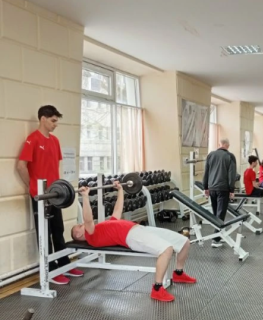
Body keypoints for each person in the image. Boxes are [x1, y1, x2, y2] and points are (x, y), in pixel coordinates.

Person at [71, 182, 196, 302]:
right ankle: (157, 289)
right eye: (79, 226)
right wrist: (85, 197)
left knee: (184, 241)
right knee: (166, 250)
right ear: (79, 234)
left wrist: (120, 190)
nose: (81, 224)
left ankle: (178, 273)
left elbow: (117, 210)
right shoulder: (91, 236)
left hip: (140, 229)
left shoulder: (102, 226)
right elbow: (88, 219)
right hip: (131, 236)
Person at [17, 105, 84, 285]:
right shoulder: (32, 140)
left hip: (56, 194)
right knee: (44, 233)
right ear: (43, 119)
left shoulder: (55, 141)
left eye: (56, 121)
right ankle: (51, 270)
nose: (55, 124)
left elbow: (54, 166)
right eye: (53, 121)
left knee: (58, 230)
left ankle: (64, 264)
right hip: (41, 195)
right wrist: (33, 187)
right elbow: (21, 166)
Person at [203, 138, 237, 248]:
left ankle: (219, 235)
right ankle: (215, 240)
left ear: (219, 144)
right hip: (223, 189)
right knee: (220, 214)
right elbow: (232, 174)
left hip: (212, 188)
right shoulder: (230, 156)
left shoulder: (210, 155)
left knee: (216, 214)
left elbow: (206, 172)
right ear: (227, 145)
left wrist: (205, 187)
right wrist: (232, 189)